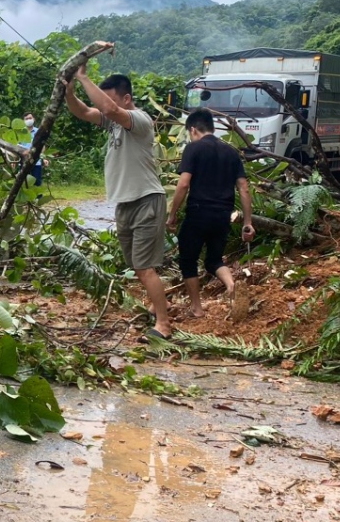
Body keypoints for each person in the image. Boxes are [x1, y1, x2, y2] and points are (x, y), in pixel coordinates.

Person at [65, 60, 172, 339]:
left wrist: (83, 77)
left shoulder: (139, 119)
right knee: (137, 266)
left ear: (126, 98)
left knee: (144, 267)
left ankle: (164, 323)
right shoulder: (113, 124)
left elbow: (109, 109)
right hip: (125, 202)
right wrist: (68, 92)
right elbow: (85, 111)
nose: (106, 107)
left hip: (147, 199)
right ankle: (158, 304)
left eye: (111, 100)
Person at [166, 108, 256, 318]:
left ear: (194, 129)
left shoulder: (193, 148)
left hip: (198, 213)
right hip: (223, 215)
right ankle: (232, 285)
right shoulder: (231, 152)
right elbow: (243, 188)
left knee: (188, 261)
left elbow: (183, 184)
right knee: (214, 260)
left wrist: (172, 215)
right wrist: (248, 222)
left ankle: (197, 309)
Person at [17, 112, 49, 186]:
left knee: (37, 182)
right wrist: (14, 161)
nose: (28, 120)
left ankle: (38, 197)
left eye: (30, 118)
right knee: (23, 182)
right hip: (23, 161)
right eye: (26, 119)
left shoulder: (39, 131)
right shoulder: (20, 132)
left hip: (36, 161)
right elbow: (17, 146)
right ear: (23, 121)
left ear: (34, 119)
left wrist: (43, 158)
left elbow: (42, 147)